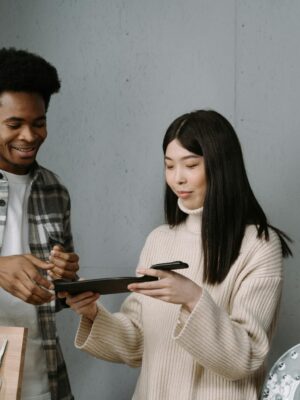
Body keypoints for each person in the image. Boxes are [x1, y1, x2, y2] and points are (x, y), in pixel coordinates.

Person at [64, 110, 292, 399]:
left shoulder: (258, 244)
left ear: (221, 166)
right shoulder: (160, 239)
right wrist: (92, 313)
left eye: (190, 165)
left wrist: (193, 298)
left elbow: (244, 358)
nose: (177, 179)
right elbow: (137, 343)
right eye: (169, 166)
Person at [0, 47, 79, 400]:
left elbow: (57, 296)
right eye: (14, 124)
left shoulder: (55, 191)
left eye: (39, 122)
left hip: (42, 373)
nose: (29, 137)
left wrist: (66, 280)